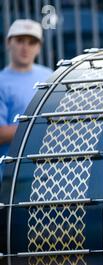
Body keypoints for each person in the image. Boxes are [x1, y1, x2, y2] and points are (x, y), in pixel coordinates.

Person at [0, 19, 53, 180]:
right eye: (20, 41)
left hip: (48, 173)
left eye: (32, 42)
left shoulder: (50, 76)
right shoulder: (1, 81)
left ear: (39, 47)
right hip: (13, 177)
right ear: (9, 43)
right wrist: (38, 127)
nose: (25, 47)